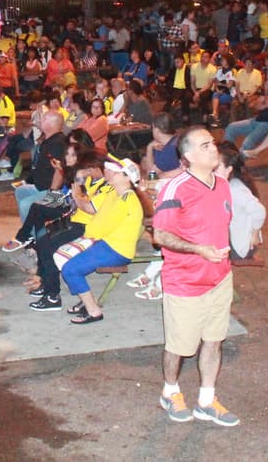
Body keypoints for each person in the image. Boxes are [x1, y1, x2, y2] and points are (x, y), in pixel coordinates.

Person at [153, 126, 239, 427]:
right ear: (188, 155)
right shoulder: (176, 188)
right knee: (179, 346)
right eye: (205, 145)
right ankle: (171, 391)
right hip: (184, 281)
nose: (213, 148)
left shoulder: (223, 185)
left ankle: (206, 400)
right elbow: (160, 235)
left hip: (219, 277)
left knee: (214, 341)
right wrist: (198, 249)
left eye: (212, 143)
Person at [51, 157, 145, 324]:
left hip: (116, 249)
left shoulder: (125, 200)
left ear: (126, 177)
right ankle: (86, 299)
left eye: (113, 170)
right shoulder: (114, 193)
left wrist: (86, 236)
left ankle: (93, 311)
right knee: (60, 255)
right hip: (105, 242)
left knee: (70, 269)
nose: (107, 171)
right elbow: (98, 221)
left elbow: (100, 226)